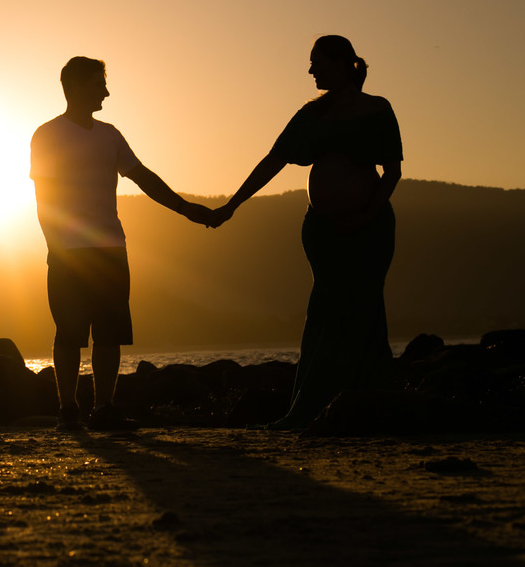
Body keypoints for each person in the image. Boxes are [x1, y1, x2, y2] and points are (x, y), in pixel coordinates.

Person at [209, 35, 402, 429]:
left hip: (369, 229)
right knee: (324, 312)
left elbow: (392, 171)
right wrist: (233, 204)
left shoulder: (377, 110)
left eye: (317, 62)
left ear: (341, 63)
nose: (310, 71)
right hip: (323, 232)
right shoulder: (311, 115)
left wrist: (367, 214)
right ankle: (307, 407)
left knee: (365, 308)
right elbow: (273, 160)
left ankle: (371, 404)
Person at [30, 57, 212, 431]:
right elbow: (44, 199)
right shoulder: (47, 135)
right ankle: (68, 410)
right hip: (68, 250)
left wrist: (184, 208)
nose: (106, 92)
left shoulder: (109, 134)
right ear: (76, 86)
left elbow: (142, 176)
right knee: (69, 332)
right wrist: (55, 247)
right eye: (100, 84)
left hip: (111, 248)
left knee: (109, 332)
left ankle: (104, 408)